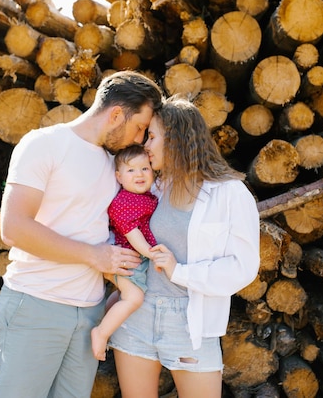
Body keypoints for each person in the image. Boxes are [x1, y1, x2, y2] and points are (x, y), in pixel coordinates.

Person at [0, 70, 163, 398]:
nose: (140, 139)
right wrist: (94, 255)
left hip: (89, 312)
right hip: (36, 304)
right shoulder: (43, 144)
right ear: (115, 114)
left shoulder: (114, 165)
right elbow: (13, 228)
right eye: (139, 127)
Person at [108, 96, 261, 398]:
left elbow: (243, 267)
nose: (146, 146)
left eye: (152, 137)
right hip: (138, 313)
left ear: (175, 137)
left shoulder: (230, 193)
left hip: (190, 325)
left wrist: (181, 272)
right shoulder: (152, 187)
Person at [91, 144, 158, 361]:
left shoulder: (145, 197)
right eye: (131, 170)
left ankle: (102, 320)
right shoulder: (124, 202)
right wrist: (150, 252)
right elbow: (132, 233)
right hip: (128, 258)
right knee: (134, 298)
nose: (139, 174)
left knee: (121, 296)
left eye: (145, 169)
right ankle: (101, 333)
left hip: (136, 259)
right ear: (119, 177)